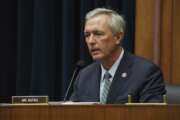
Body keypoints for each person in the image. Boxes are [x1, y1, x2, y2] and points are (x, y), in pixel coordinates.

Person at [70, 8, 166, 104]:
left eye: (98, 34)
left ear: (118, 37)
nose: (91, 41)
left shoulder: (146, 73)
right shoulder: (84, 76)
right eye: (87, 35)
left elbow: (151, 114)